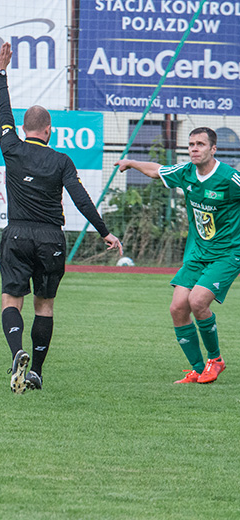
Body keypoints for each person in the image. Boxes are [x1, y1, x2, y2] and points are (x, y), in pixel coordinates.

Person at [0, 42, 122, 393]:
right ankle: (35, 371)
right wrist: (105, 232)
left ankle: (17, 351)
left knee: (11, 300)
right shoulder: (62, 161)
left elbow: (3, 113)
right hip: (51, 238)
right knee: (44, 305)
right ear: (49, 130)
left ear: (24, 128)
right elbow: (81, 199)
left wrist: (1, 73)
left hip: (17, 234)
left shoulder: (11, 147)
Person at [116, 127, 240, 384]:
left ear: (213, 149)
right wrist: (131, 163)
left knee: (197, 302)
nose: (194, 149)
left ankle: (215, 360)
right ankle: (198, 369)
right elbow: (156, 170)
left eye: (200, 144)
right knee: (177, 308)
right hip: (197, 253)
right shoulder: (186, 172)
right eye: (191, 144)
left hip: (227, 253)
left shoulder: (229, 178)